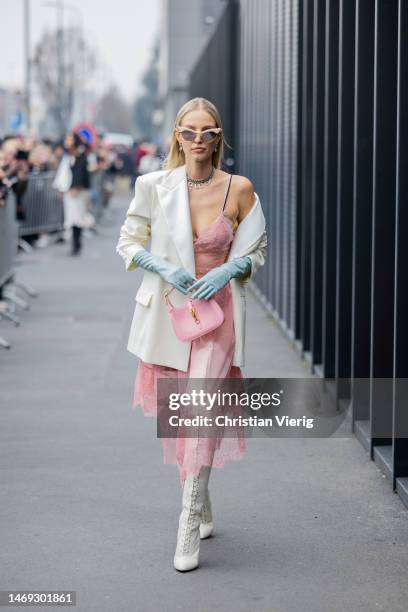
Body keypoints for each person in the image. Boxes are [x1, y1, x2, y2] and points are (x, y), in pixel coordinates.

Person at [116, 97, 267, 572]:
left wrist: (231, 270)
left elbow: (257, 249)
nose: (198, 141)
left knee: (200, 407)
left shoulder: (239, 188)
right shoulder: (154, 185)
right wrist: (159, 264)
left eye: (207, 132)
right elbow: (128, 239)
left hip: (219, 316)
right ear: (176, 135)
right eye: (189, 131)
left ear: (219, 137)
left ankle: (187, 521)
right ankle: (201, 495)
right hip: (171, 314)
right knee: (185, 416)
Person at [62, 132, 91, 256]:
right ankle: (75, 244)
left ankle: (77, 244)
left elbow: (80, 173)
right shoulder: (68, 156)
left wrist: (76, 187)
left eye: (69, 139)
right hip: (69, 190)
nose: (67, 141)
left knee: (77, 218)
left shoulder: (80, 155)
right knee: (72, 218)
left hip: (77, 191)